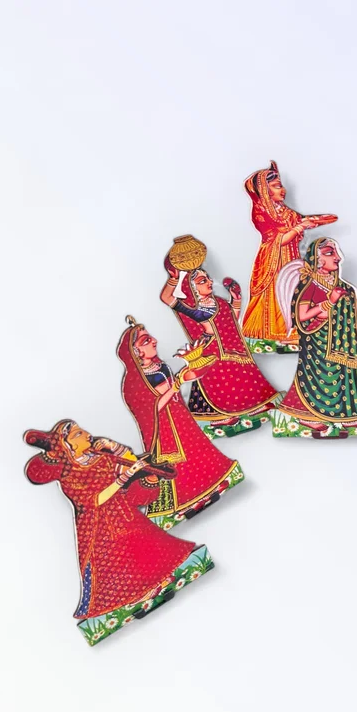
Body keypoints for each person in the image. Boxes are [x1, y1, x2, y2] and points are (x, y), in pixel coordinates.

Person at [23, 420, 197, 621]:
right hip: (99, 525)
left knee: (146, 546)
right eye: (78, 434)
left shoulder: (100, 457)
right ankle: (135, 599)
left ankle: (157, 583)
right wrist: (126, 476)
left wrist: (113, 446)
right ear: (68, 446)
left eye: (82, 430)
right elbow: (95, 501)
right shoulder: (70, 475)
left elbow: (129, 463)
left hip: (123, 513)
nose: (86, 434)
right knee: (118, 562)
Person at [117, 317, 242, 525]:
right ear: (136, 352)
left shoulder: (159, 365)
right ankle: (184, 504)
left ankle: (209, 488)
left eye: (150, 337)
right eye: (146, 341)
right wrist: (178, 383)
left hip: (180, 417)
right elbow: (152, 408)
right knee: (178, 467)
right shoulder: (134, 382)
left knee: (198, 452)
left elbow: (173, 387)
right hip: (164, 429)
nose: (154, 341)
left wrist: (187, 374)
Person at [160, 234, 279, 434]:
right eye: (202, 281)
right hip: (212, 352)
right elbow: (166, 297)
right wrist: (173, 277)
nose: (209, 282)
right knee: (218, 381)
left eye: (208, 278)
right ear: (192, 288)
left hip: (232, 348)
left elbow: (232, 319)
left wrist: (236, 299)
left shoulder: (220, 302)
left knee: (244, 375)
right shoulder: (191, 309)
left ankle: (252, 406)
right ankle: (221, 417)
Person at [275, 238, 357, 437]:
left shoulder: (344, 287)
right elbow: (302, 316)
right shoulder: (310, 285)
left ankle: (347, 415)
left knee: (345, 377)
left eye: (336, 252)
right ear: (317, 259)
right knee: (322, 379)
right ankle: (309, 417)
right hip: (319, 343)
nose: (338, 257)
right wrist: (329, 302)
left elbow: (354, 312)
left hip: (343, 342)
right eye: (330, 253)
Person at [240, 161, 337, 349]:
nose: (283, 190)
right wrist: (301, 226)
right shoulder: (261, 212)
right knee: (275, 291)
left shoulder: (287, 212)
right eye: (277, 186)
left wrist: (317, 220)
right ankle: (268, 334)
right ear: (265, 191)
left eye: (281, 185)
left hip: (290, 257)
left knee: (292, 290)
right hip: (273, 257)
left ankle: (290, 330)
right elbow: (280, 239)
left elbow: (301, 221)